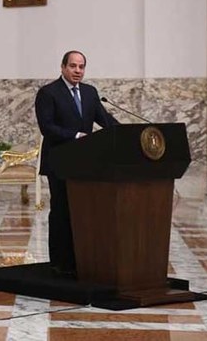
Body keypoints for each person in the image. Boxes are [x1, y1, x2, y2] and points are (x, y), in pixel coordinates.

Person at [35, 50, 118, 277]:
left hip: (85, 163)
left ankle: (81, 258)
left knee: (83, 211)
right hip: (59, 161)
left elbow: (105, 120)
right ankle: (60, 262)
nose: (77, 71)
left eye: (81, 67)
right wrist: (76, 136)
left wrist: (126, 133)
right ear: (63, 67)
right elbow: (47, 127)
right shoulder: (48, 93)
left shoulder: (90, 93)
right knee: (61, 210)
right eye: (73, 66)